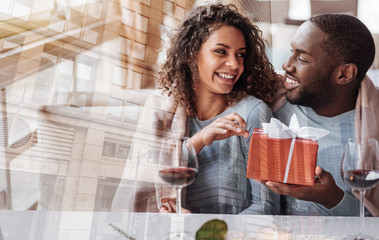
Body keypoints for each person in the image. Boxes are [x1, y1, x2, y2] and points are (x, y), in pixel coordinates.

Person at [112, 3, 281, 214]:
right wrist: (197, 143)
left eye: (240, 55)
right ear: (191, 54)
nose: (234, 64)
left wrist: (204, 231)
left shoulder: (253, 113)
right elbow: (141, 183)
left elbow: (266, 207)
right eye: (221, 52)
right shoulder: (161, 110)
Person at [268, 13, 379, 216]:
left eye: (302, 58)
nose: (286, 65)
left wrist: (333, 199)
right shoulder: (271, 104)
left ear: (344, 74)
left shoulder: (374, 127)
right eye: (291, 51)